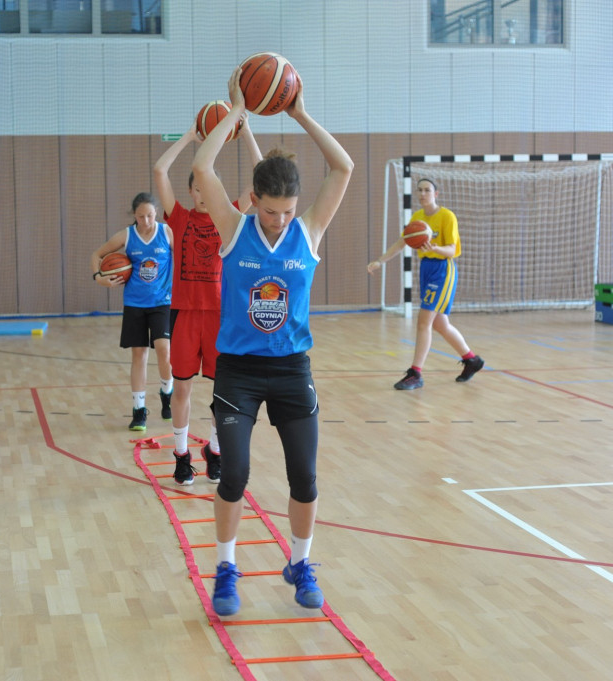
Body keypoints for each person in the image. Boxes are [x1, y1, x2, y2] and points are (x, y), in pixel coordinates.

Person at [192, 67, 354, 617]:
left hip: (291, 369)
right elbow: (202, 166)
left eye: (287, 211)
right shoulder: (234, 229)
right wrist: (237, 112)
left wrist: (300, 112)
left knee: (304, 478)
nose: (280, 220)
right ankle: (227, 568)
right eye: (271, 210)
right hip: (237, 369)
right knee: (234, 473)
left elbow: (343, 167)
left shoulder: (307, 231)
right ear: (253, 199)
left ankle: (300, 562)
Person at [153, 118, 262, 485]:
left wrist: (245, 132)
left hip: (221, 317)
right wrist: (189, 135)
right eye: (196, 188)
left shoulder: (227, 214)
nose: (201, 193)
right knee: (182, 389)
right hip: (185, 316)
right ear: (190, 192)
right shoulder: (179, 217)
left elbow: (260, 182)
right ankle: (181, 456)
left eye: (206, 188)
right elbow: (159, 169)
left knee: (222, 395)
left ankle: (214, 451)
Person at [367, 177, 484, 390]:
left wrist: (434, 249)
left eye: (427, 190)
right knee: (440, 324)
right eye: (419, 190)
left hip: (442, 269)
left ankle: (415, 373)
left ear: (436, 194)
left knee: (424, 321)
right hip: (426, 269)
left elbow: (452, 250)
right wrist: (380, 260)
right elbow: (402, 243)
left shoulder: (447, 216)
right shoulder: (418, 218)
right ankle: (471, 359)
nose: (423, 194)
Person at [92, 193, 174, 432]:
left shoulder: (167, 233)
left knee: (164, 349)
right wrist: (100, 278)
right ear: (134, 215)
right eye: (141, 216)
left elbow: (183, 259)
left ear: (156, 213)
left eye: (150, 215)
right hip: (135, 303)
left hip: (162, 301)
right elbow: (96, 255)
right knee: (139, 355)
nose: (146, 220)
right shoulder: (127, 236)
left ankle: (167, 392)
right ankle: (139, 410)